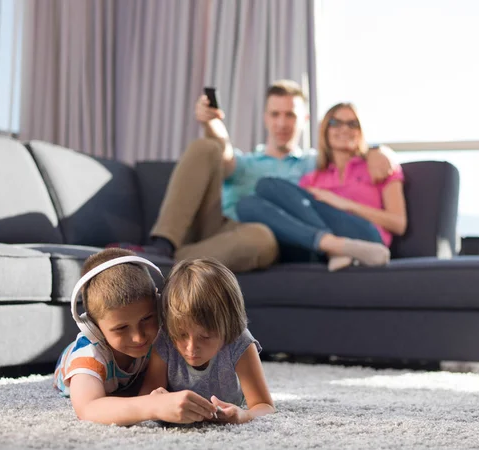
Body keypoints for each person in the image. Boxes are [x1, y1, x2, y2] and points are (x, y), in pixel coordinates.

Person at [133, 80, 396, 272]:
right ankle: (163, 243)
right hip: (211, 225)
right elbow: (223, 151)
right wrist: (211, 124)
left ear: (304, 119)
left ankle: (164, 264)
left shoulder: (313, 164)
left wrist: (379, 151)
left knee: (262, 237)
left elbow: (345, 154)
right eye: (275, 114)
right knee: (207, 146)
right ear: (265, 118)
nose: (282, 123)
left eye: (290, 115)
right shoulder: (245, 162)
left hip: (249, 240)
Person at [53, 248, 219, 425]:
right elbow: (88, 409)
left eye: (147, 318)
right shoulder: (88, 356)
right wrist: (152, 406)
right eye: (121, 328)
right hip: (71, 363)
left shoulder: (161, 336)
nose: (139, 337)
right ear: (93, 327)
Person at [236, 102, 407, 271]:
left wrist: (344, 204)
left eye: (352, 124)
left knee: (267, 186)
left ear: (360, 131)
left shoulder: (379, 166)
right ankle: (332, 246)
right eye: (335, 123)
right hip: (317, 251)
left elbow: (399, 223)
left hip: (367, 241)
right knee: (247, 202)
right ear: (325, 130)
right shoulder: (312, 176)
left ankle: (332, 245)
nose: (344, 129)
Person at [139, 257, 275, 424]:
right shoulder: (166, 338)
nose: (191, 347)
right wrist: (159, 402)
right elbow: (146, 398)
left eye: (205, 336)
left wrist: (242, 415)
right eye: (181, 335)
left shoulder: (239, 341)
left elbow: (265, 406)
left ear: (229, 327)